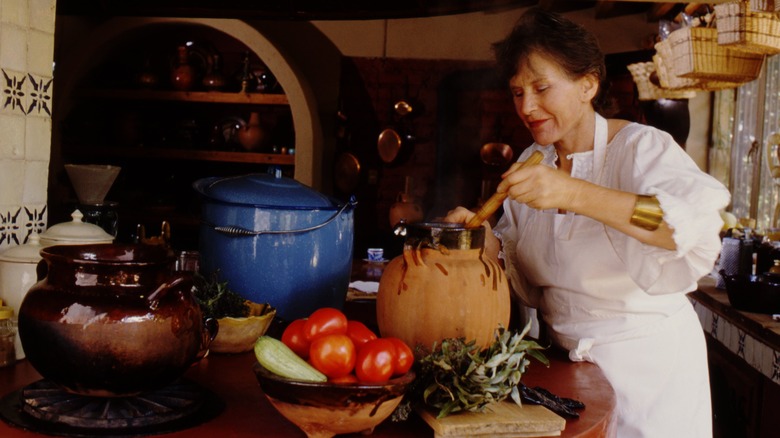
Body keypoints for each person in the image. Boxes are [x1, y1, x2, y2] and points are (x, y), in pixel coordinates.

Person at [445, 8, 729, 438]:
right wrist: (485, 243)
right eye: (517, 92)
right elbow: (524, 271)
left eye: (541, 88)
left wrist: (574, 194)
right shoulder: (531, 162)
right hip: (569, 378)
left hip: (651, 378)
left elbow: (689, 228)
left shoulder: (640, 147)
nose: (527, 106)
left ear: (588, 85)